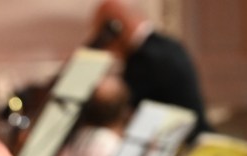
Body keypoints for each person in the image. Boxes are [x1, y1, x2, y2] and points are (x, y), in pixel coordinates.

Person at [88, 0, 211, 140]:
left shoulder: (144, 58)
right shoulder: (168, 45)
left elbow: (119, 112)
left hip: (184, 148)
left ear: (114, 28)